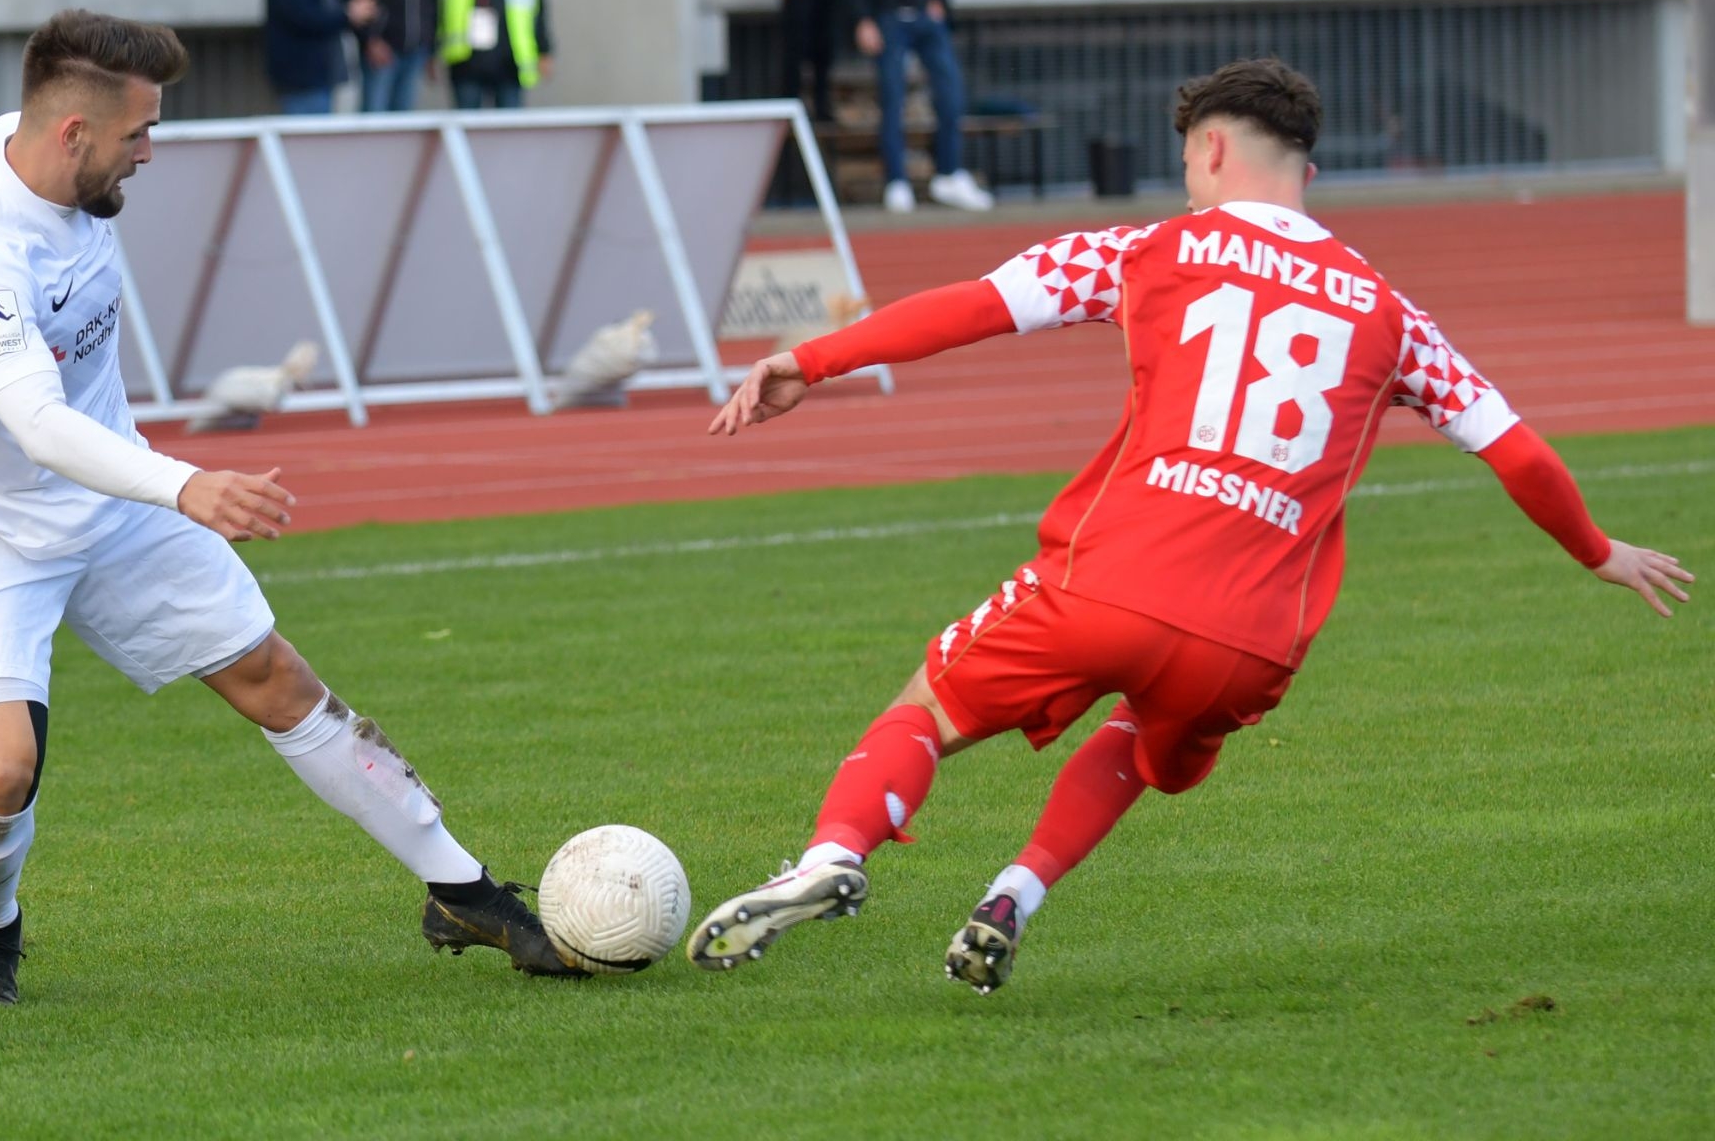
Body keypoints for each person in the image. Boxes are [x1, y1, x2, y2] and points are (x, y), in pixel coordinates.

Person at [687, 58, 1693, 993]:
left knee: (926, 709)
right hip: (1252, 643)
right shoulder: (1392, 314)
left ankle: (833, 856)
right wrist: (1599, 551)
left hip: (1106, 584)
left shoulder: (1149, 249)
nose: (1185, 184)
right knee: (1147, 731)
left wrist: (809, 361)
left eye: (1185, 165)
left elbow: (977, 307)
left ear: (1212, 149)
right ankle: (1017, 891)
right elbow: (1515, 449)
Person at [0, 9, 580, 1006]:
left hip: (118, 500)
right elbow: (39, 425)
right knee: (3, 773)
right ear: (73, 136)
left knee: (277, 676)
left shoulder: (51, 144)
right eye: (139, 133)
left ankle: (463, 889)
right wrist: (188, 483)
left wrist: (157, 484)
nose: (152, 149)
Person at [844, 0, 992, 214]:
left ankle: (948, 172)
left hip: (926, 15)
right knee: (892, 98)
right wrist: (863, 19)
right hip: (888, 18)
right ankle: (896, 181)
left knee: (950, 92)